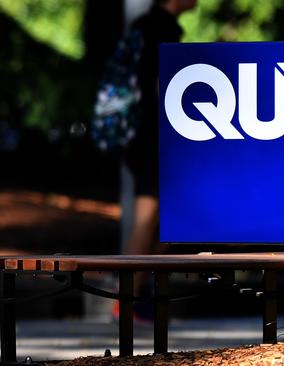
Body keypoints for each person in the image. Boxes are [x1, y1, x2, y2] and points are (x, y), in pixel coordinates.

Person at [121, 0, 197, 314]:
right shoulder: (159, 29)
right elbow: (162, 85)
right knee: (149, 217)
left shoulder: (148, 26)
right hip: (154, 139)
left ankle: (134, 297)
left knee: (168, 218)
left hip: (146, 135)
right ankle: (126, 300)